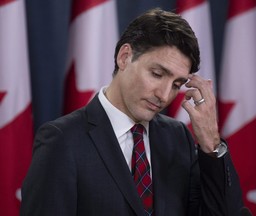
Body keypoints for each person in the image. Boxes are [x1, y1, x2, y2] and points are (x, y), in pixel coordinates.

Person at [20, 8, 243, 216]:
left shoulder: (178, 138)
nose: (164, 96)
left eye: (177, 84)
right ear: (124, 57)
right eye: (157, 74)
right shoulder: (62, 140)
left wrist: (212, 144)